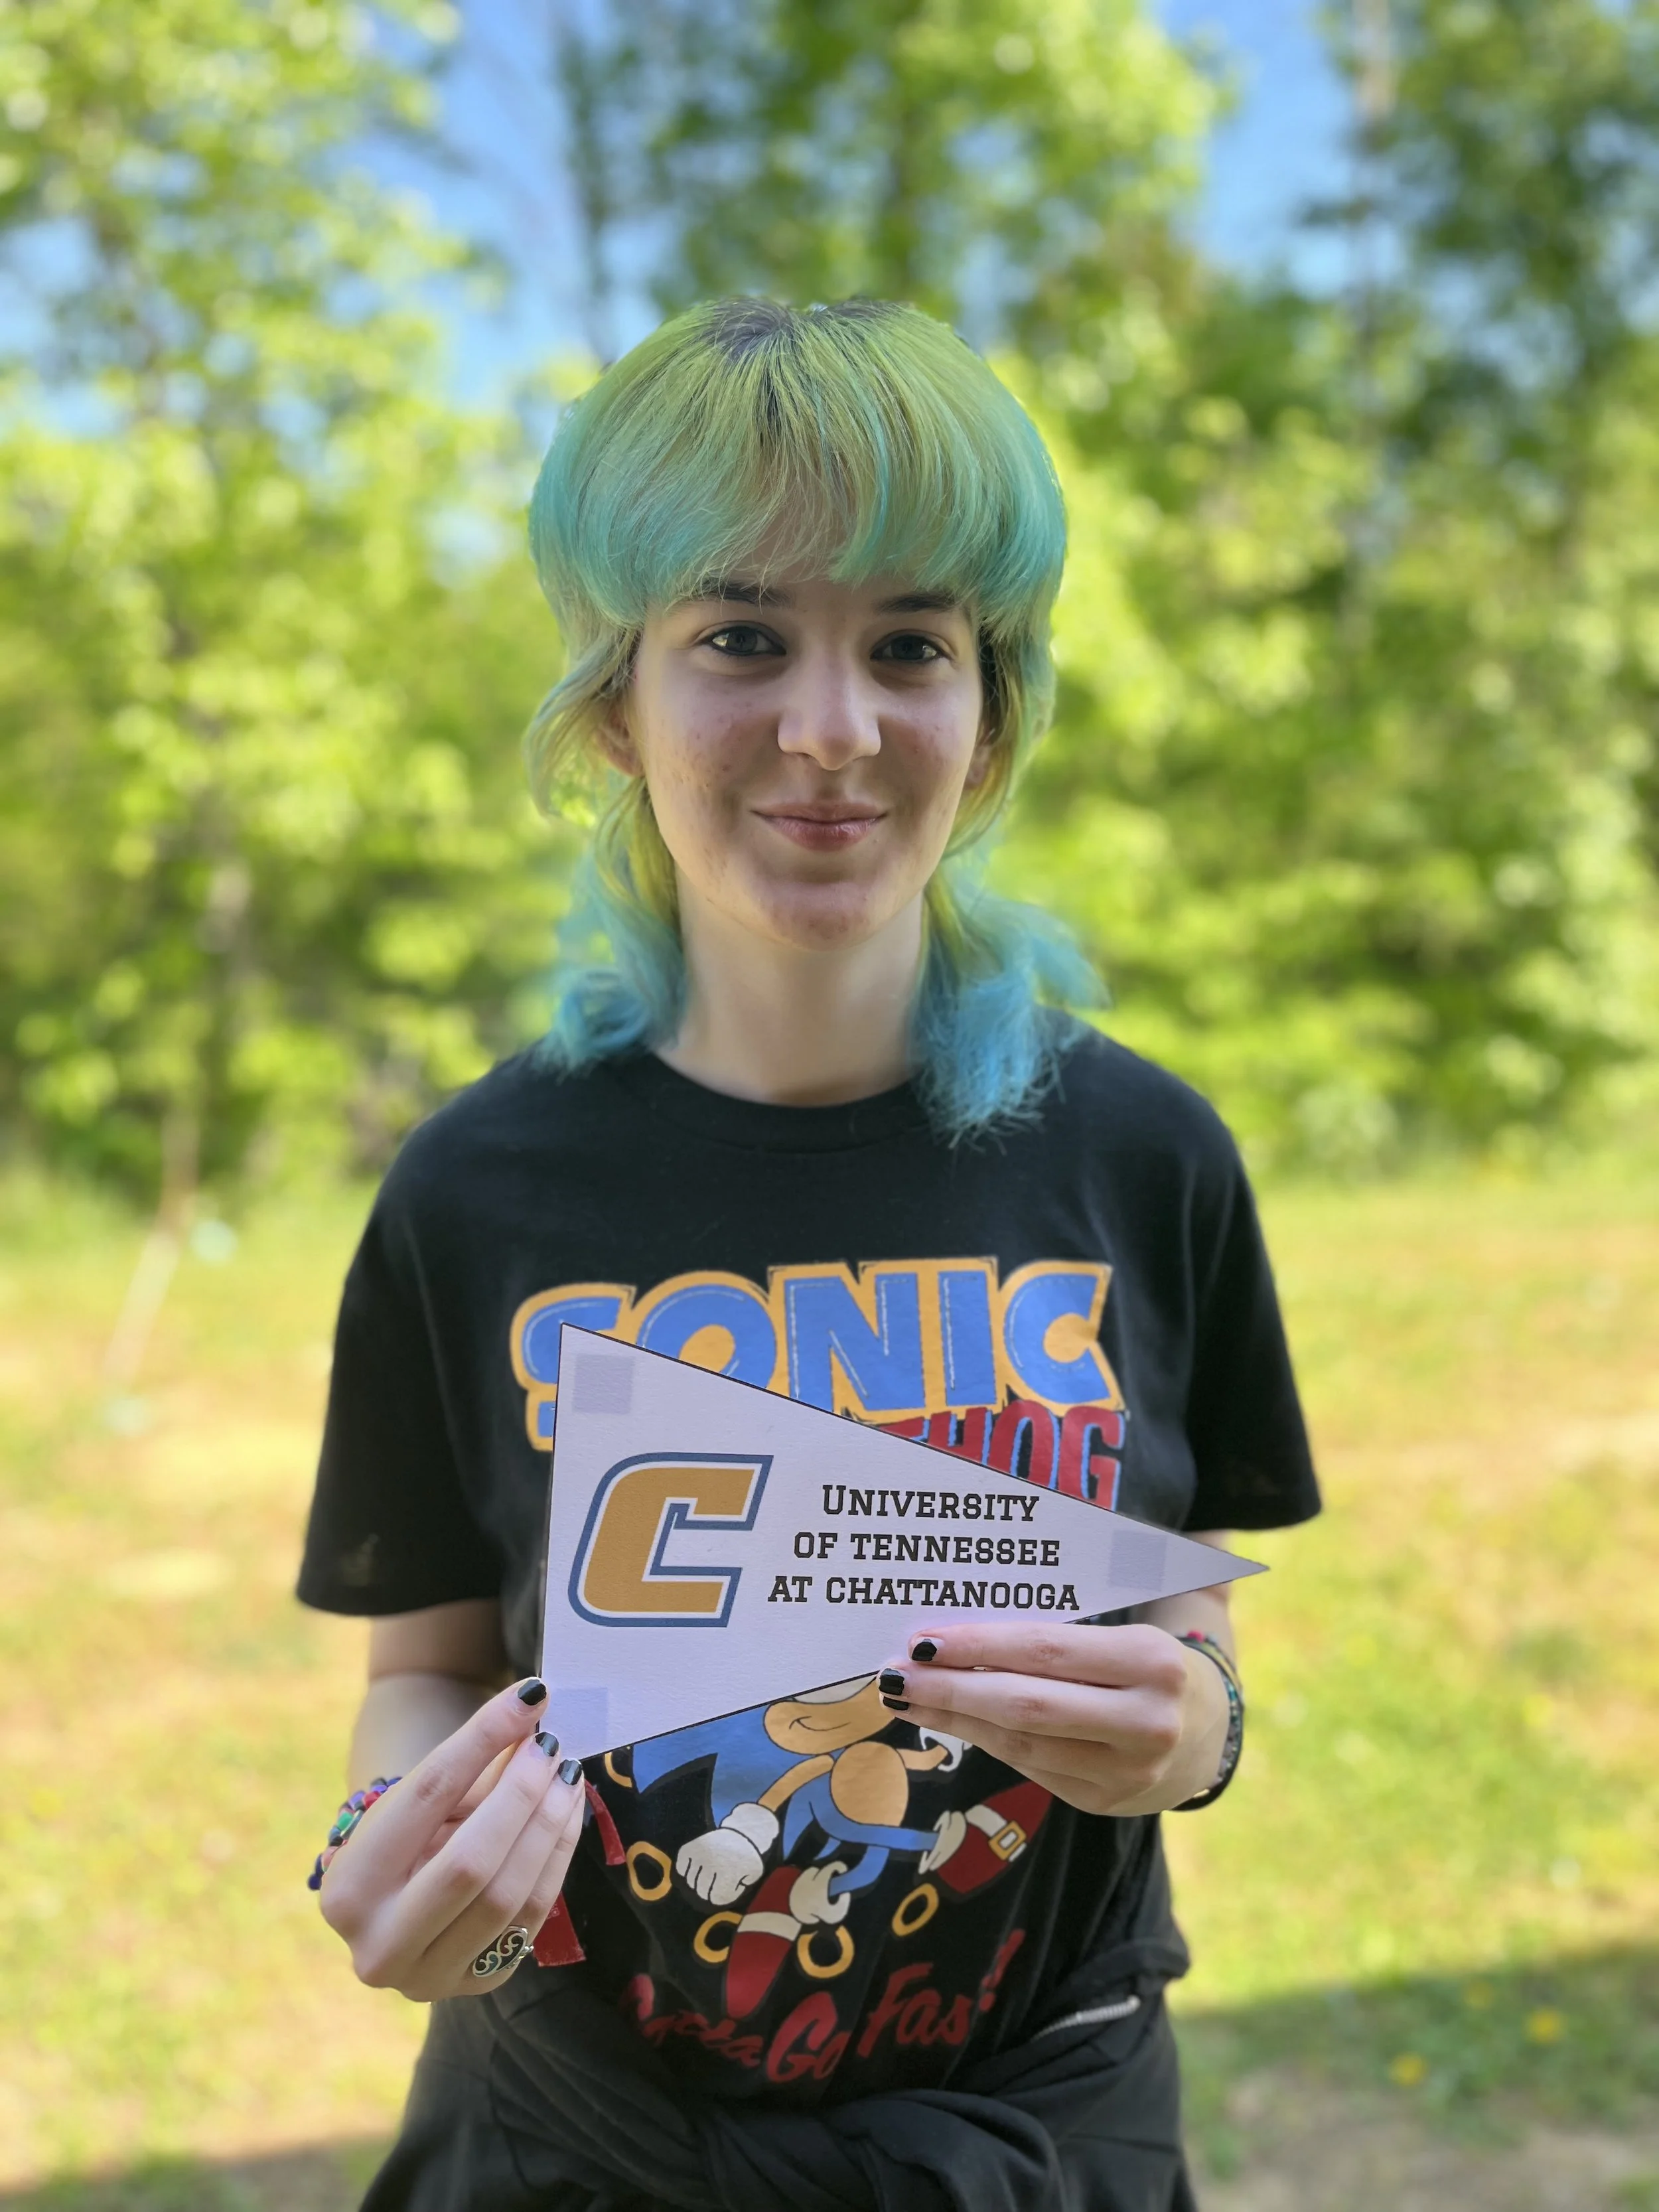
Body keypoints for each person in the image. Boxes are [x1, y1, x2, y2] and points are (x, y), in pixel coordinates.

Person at [297, 296, 1319, 2212]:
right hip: (583, 2143)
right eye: (741, 635)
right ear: (616, 704)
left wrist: (1199, 1734)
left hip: (1040, 2135)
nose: (832, 727)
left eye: (911, 643)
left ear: (989, 716)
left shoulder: (1144, 1154)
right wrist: (396, 1845)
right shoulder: (471, 1188)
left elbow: (1184, 1635)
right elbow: (425, 1666)